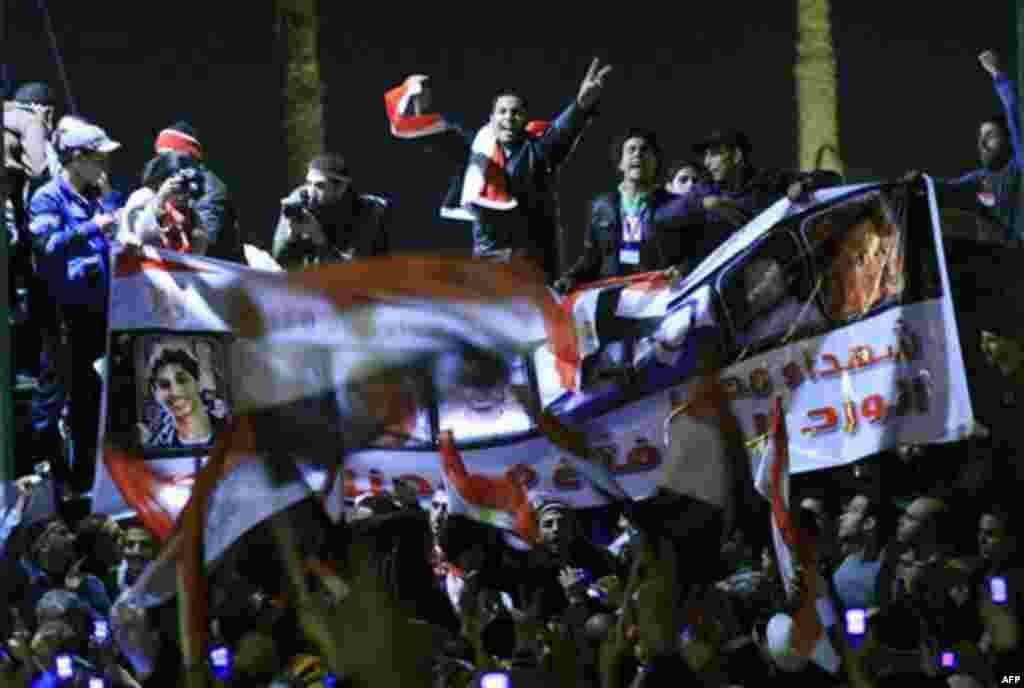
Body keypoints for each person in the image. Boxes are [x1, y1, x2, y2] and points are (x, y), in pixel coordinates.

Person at [385, 58, 612, 279]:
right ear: (492, 118)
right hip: (489, 262)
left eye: (516, 112)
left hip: (533, 264)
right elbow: (439, 136)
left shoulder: (541, 150)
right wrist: (420, 106)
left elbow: (564, 130)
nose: (509, 118)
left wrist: (581, 105)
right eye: (502, 112)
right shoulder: (475, 151)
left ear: (525, 119)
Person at [28, 118, 124, 494]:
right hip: (62, 314)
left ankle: (84, 479)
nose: (104, 165)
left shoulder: (96, 196)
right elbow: (46, 249)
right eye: (98, 157)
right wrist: (92, 228)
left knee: (90, 399)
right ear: (77, 158)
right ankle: (45, 471)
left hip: (95, 312)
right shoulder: (48, 197)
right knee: (54, 397)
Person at [272, 153, 391, 268]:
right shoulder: (299, 200)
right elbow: (280, 264)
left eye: (320, 186)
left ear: (341, 188)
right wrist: (292, 237)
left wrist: (319, 239)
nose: (310, 192)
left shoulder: (369, 212)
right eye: (308, 183)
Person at [153, 121, 243, 261]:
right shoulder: (165, 184)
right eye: (159, 157)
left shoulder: (211, 188)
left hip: (215, 272)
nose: (162, 163)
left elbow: (206, 242)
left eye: (168, 156)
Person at [119, 151, 211, 254]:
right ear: (161, 181)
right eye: (180, 186)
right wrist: (161, 198)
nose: (184, 195)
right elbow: (141, 234)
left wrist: (197, 234)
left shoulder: (189, 213)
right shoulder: (143, 196)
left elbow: (199, 253)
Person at [140, 348, 220, 449]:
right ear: (155, 393)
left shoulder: (228, 429)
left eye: (182, 380)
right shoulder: (156, 444)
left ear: (198, 383)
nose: (175, 391)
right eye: (164, 385)